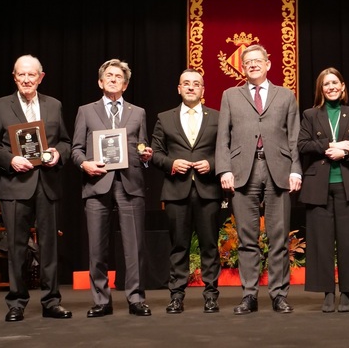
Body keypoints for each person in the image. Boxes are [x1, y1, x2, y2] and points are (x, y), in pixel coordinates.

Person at [0, 54, 73, 322]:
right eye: (21, 75)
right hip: (15, 185)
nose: (26, 79)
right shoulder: (0, 106)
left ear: (40, 77)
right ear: (14, 77)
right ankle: (16, 303)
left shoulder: (54, 105)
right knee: (16, 247)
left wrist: (59, 154)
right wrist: (11, 159)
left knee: (49, 247)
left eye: (31, 74)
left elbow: (66, 142)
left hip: (47, 184)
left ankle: (51, 301)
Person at [215, 44, 302, 315]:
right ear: (243, 67)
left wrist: (296, 169)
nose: (253, 64)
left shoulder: (286, 96)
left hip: (279, 169)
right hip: (243, 171)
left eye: (257, 60)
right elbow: (223, 137)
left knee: (278, 237)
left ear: (268, 64)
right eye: (248, 61)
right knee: (247, 238)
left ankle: (278, 295)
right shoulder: (230, 95)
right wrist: (224, 169)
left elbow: (294, 137)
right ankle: (249, 295)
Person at [72, 58, 154, 318]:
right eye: (108, 76)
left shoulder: (138, 112)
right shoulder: (86, 111)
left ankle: (136, 299)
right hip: (97, 182)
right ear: (100, 81)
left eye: (118, 76)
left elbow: (142, 146)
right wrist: (85, 164)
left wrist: (146, 155)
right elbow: (76, 149)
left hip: (130, 183)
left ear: (125, 84)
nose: (113, 79)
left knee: (134, 247)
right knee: (97, 246)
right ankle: (101, 300)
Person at [298, 67, 349, 313]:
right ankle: (328, 292)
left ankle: (347, 293)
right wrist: (331, 145)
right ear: (321, 89)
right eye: (325, 84)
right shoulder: (310, 114)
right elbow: (303, 145)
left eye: (334, 83)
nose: (330, 87)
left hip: (347, 183)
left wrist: (345, 152)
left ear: (342, 86)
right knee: (321, 241)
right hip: (318, 185)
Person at [151, 69, 222, 314]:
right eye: (186, 84)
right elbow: (155, 153)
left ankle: (211, 296)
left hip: (208, 190)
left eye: (196, 84)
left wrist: (212, 164)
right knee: (178, 246)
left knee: (210, 246)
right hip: (176, 191)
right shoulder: (164, 118)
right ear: (178, 88)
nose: (191, 88)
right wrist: (171, 164)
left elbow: (227, 150)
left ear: (203, 90)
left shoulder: (217, 117)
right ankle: (176, 297)